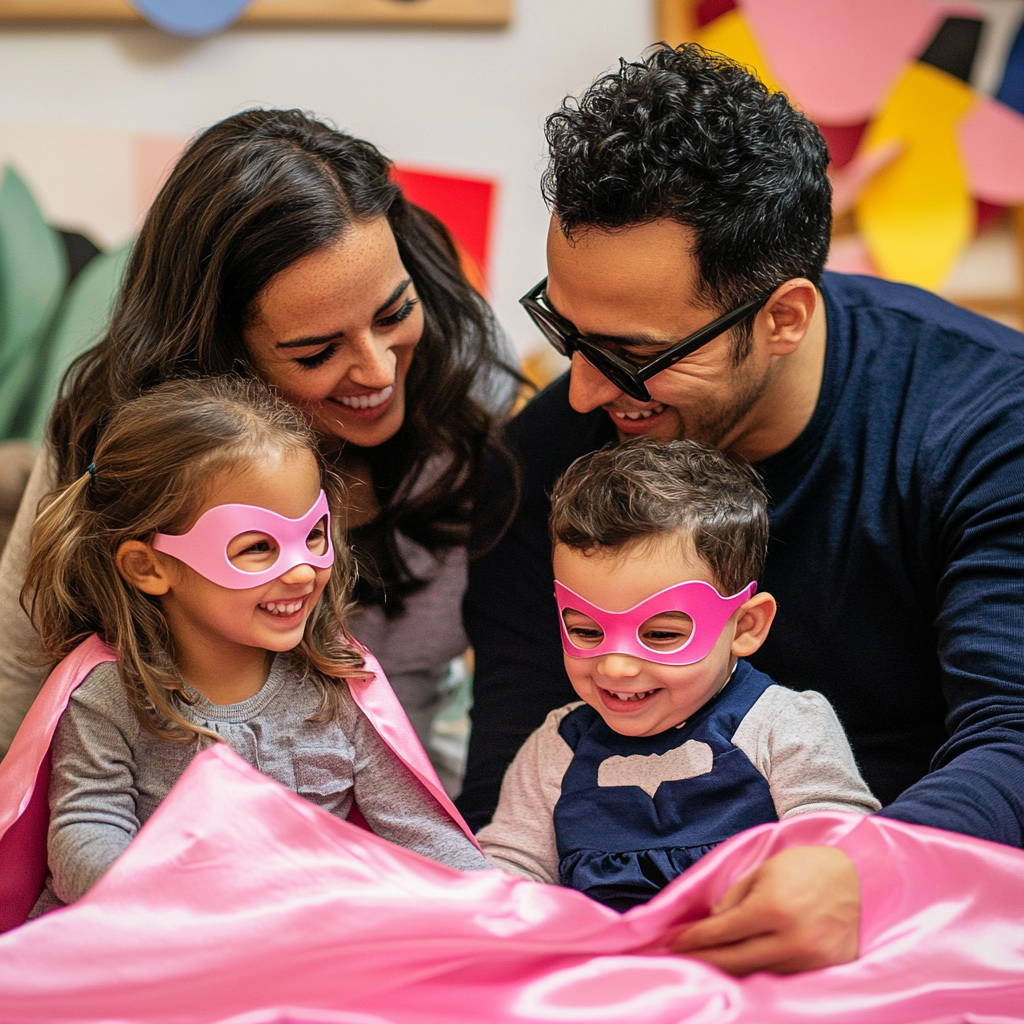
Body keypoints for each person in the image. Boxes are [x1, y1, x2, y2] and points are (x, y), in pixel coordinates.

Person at [461, 44, 1024, 974]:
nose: (588, 391)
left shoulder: (983, 425)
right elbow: (515, 784)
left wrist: (872, 872)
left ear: (786, 317)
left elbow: (1012, 736)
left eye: (637, 352)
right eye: (567, 332)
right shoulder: (545, 464)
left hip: (924, 917)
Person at [0, 109, 516, 787]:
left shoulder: (465, 385)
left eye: (393, 314)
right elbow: (22, 667)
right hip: (178, 814)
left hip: (404, 805)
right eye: (316, 351)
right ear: (219, 357)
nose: (379, 371)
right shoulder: (116, 432)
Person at [20, 376, 486, 917]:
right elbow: (85, 832)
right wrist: (175, 903)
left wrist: (501, 906)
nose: (303, 572)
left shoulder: (337, 685)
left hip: (293, 943)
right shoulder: (110, 695)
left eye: (313, 535)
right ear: (149, 566)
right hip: (150, 941)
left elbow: (422, 835)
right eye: (257, 548)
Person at [478, 439, 878, 910]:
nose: (616, 667)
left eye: (662, 635)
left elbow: (837, 844)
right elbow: (511, 866)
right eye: (586, 631)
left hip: (744, 956)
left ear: (745, 626)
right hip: (601, 964)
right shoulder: (557, 748)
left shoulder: (781, 725)